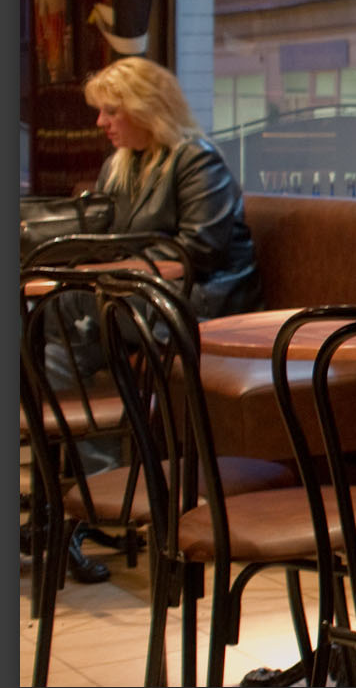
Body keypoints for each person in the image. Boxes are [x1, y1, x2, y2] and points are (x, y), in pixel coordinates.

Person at [35, 57, 261, 579]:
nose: (101, 123)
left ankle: (98, 497)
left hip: (205, 300)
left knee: (70, 326)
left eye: (111, 110)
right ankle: (97, 493)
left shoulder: (196, 161)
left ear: (146, 109)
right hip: (145, 294)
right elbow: (106, 239)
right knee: (55, 328)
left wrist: (107, 270)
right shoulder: (122, 164)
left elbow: (196, 254)